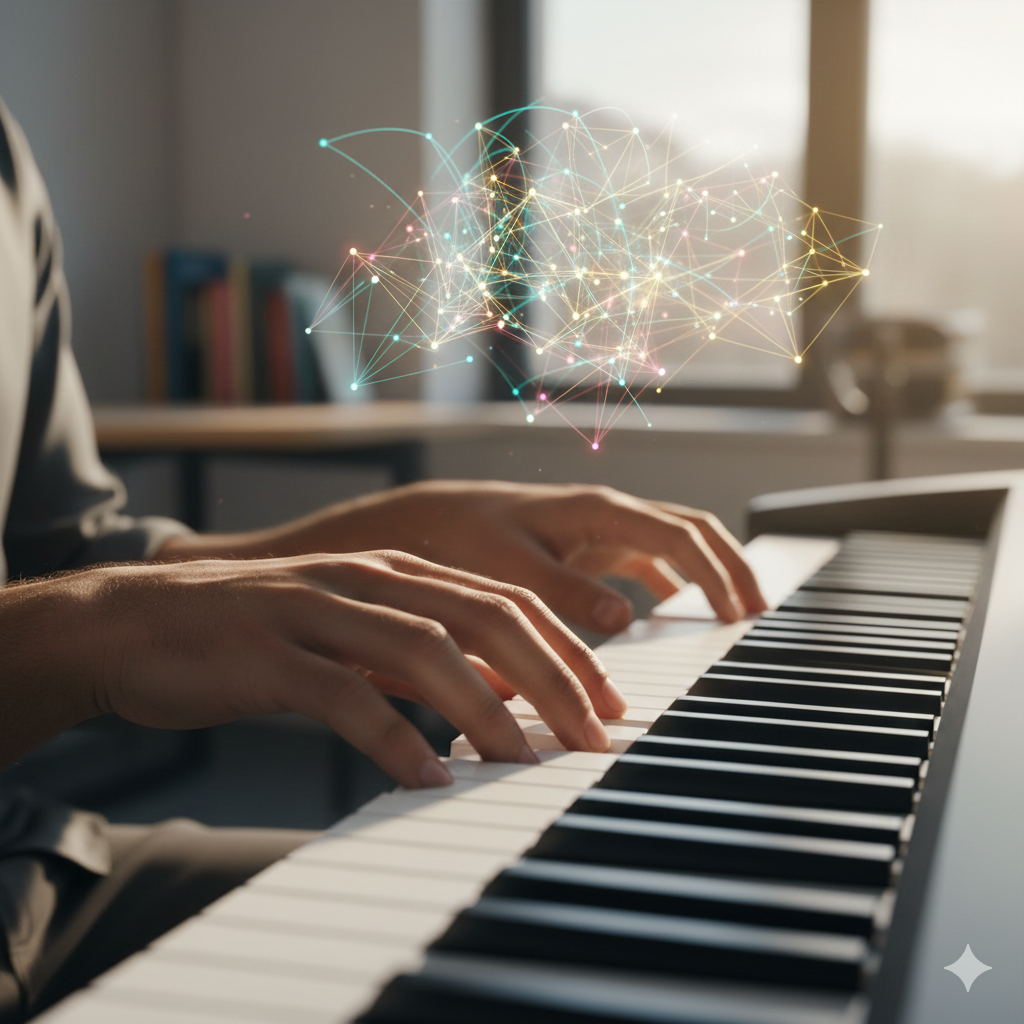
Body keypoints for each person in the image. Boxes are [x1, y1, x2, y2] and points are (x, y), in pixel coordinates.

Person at [0, 97, 766, 1021]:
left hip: (35, 864)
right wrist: (82, 631)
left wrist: (396, 531)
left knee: (632, 929)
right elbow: (83, 606)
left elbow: (72, 555)